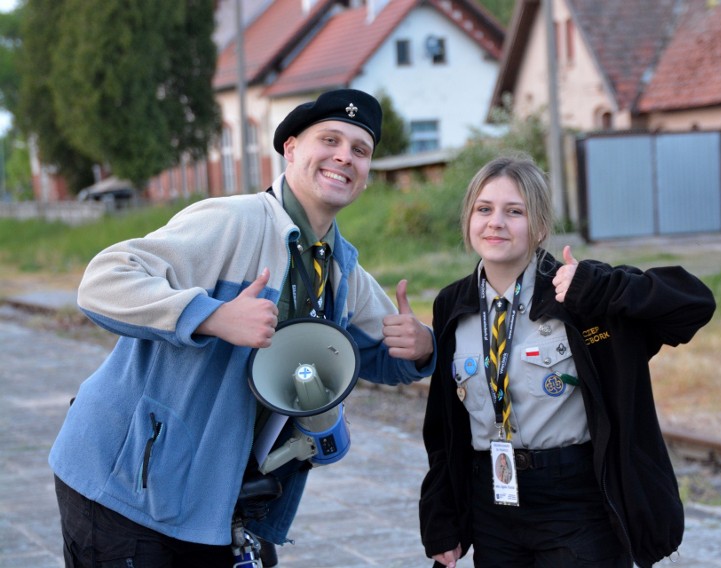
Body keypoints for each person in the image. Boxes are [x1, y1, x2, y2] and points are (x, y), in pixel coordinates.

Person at [49, 88, 436, 566]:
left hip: (216, 499)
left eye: (360, 150)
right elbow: (104, 280)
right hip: (127, 488)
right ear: (290, 148)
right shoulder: (233, 220)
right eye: (330, 140)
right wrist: (212, 315)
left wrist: (420, 346)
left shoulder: (342, 269)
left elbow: (382, 355)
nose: (344, 157)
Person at [419, 155, 716, 568]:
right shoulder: (452, 303)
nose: (495, 222)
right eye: (483, 209)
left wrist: (604, 288)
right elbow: (443, 424)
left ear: (539, 226)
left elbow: (694, 305)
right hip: (493, 503)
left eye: (515, 211)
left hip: (576, 505)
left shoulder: (578, 293)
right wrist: (441, 519)